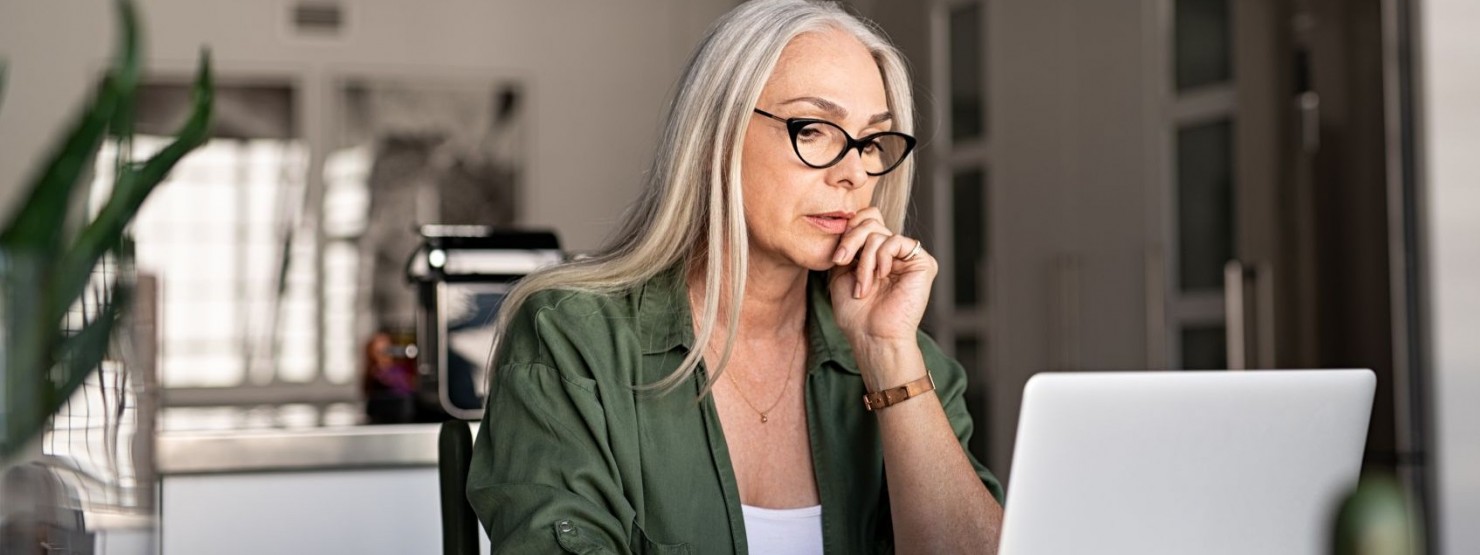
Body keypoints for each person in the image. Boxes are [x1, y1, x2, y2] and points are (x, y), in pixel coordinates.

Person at [467, 0, 1005, 552]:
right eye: (815, 129)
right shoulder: (572, 338)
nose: (854, 172)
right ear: (715, 134)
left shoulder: (909, 361)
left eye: (870, 141)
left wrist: (887, 355)